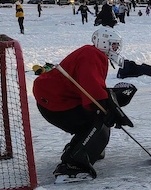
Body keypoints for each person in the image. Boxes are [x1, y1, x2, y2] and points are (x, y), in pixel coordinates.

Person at [32, 27, 133, 182]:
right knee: (98, 119)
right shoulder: (92, 54)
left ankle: (83, 148)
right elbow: (91, 89)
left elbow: (91, 86)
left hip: (55, 98)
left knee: (97, 117)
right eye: (113, 45)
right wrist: (107, 107)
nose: (116, 49)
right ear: (104, 42)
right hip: (55, 100)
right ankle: (72, 165)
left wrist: (110, 103)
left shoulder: (94, 54)